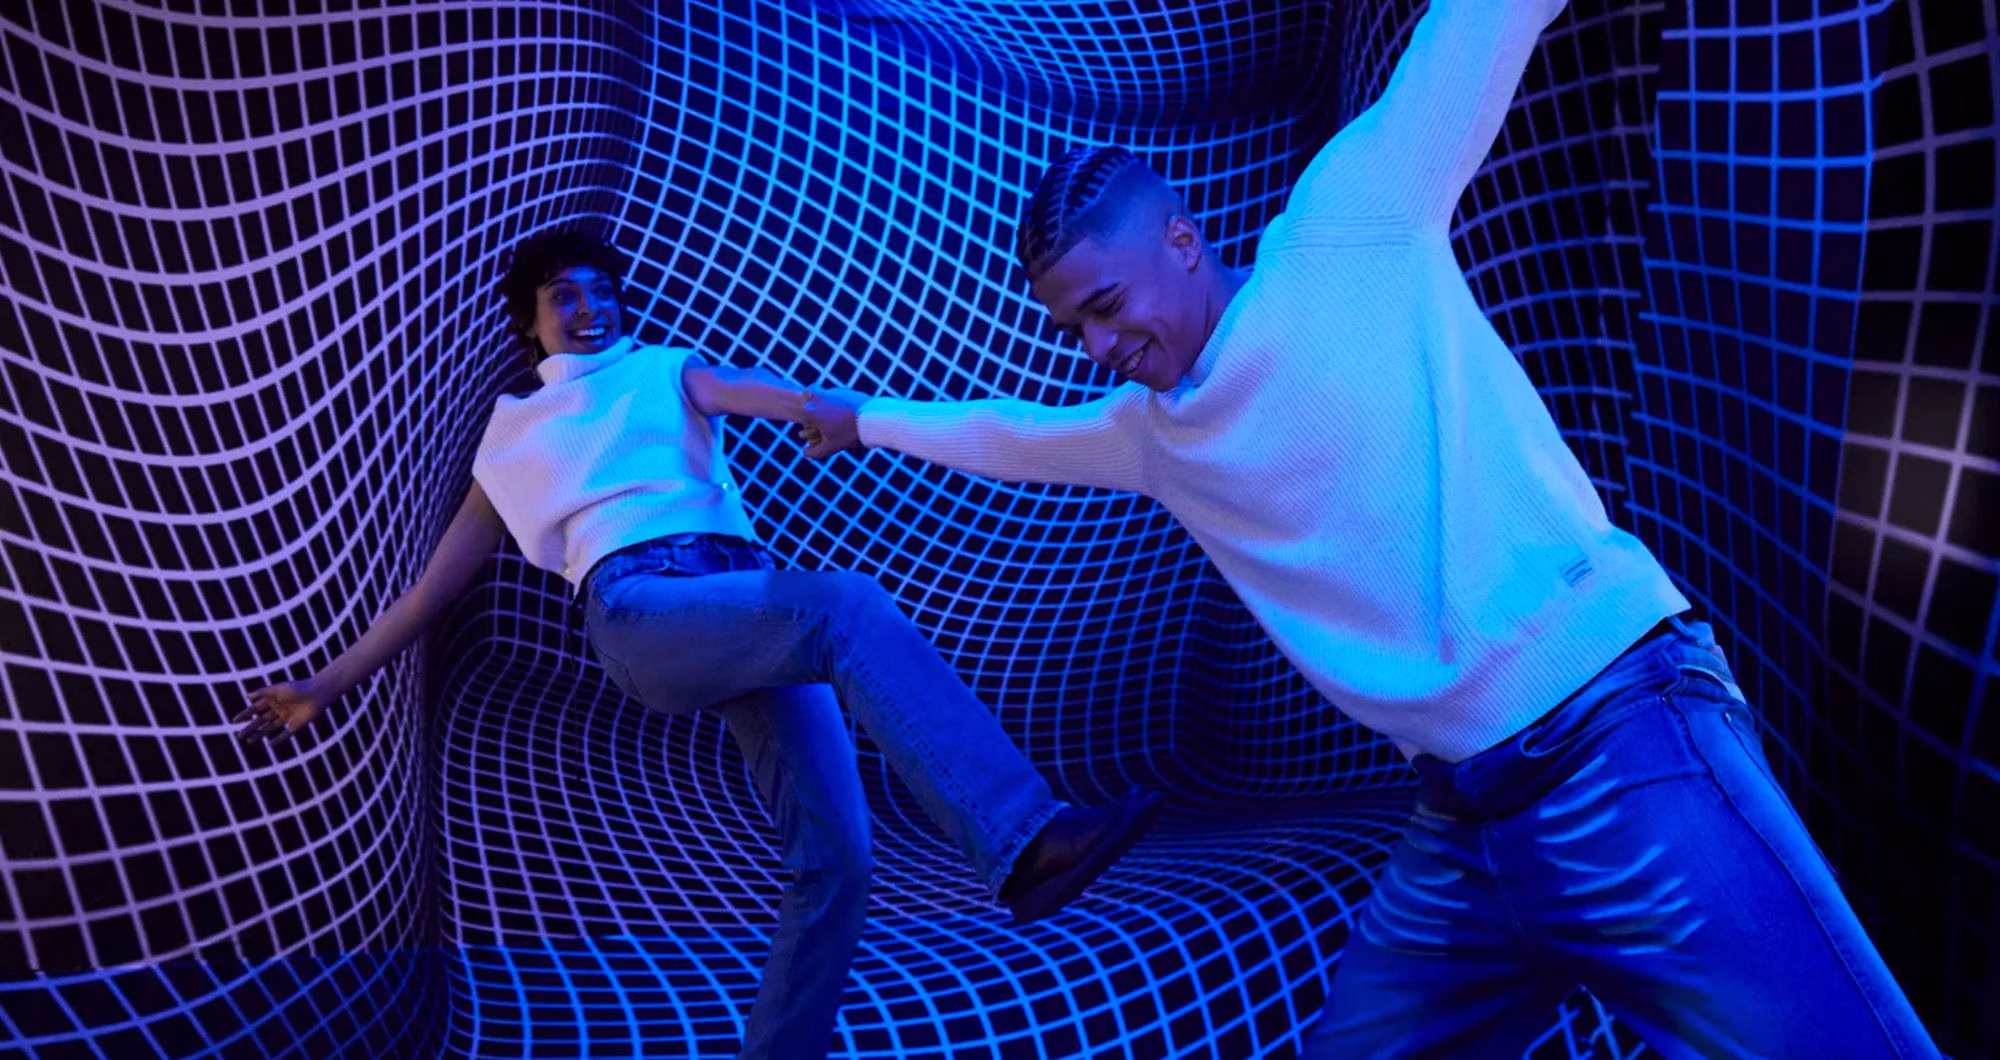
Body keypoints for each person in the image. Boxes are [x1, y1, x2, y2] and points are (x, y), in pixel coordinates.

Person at [794, 1, 1942, 1056]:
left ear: (1181, 241)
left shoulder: (1352, 222)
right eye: (1072, 329)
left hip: (1615, 738)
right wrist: (853, 421)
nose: (1097, 347)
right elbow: (1007, 434)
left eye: (1104, 305)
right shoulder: (1152, 437)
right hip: (1460, 828)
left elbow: (1479, 26)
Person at [234, 226, 1162, 1060]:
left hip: (740, 592)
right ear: (530, 323)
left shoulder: (665, 371)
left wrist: (837, 412)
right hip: (641, 609)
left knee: (836, 863)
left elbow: (756, 391)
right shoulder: (513, 434)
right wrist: (324, 685)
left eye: (602, 291)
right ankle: (1024, 840)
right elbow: (434, 587)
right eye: (564, 296)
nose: (589, 309)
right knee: (843, 607)